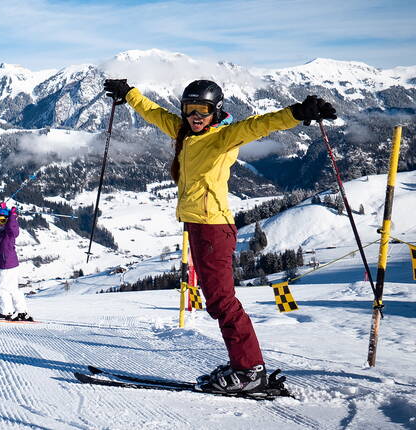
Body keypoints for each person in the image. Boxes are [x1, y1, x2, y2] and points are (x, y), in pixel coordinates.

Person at [103, 78, 336, 394]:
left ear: (216, 111)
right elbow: (154, 113)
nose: (195, 116)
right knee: (217, 300)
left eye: (203, 110)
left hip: (213, 229)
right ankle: (244, 364)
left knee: (222, 302)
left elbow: (259, 125)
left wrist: (298, 112)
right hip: (199, 227)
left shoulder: (223, 137)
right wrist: (128, 94)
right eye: (189, 109)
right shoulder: (185, 132)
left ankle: (249, 370)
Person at [0, 202, 33, 321]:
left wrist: (13, 216)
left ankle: (5, 311)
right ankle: (22, 312)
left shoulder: (9, 233)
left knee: (2, 289)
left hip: (7, 264)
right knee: (13, 289)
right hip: (9, 264)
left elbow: (14, 229)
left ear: (7, 222)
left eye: (3, 221)